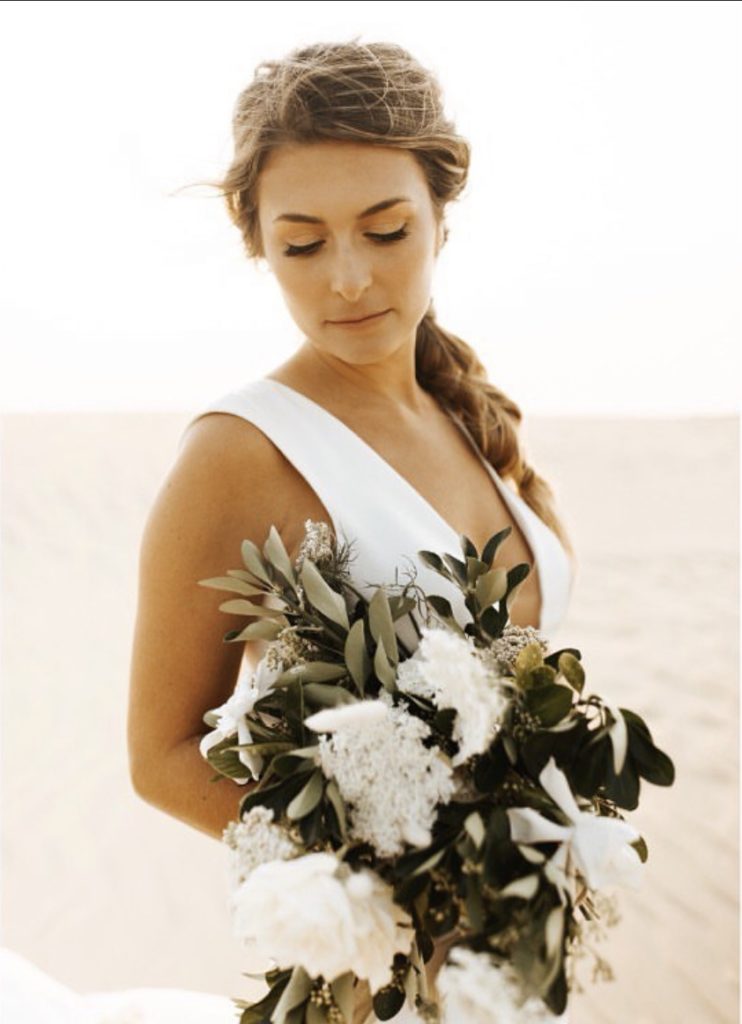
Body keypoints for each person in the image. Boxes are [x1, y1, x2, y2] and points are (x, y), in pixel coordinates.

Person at [127, 38, 577, 1024]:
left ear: (439, 223)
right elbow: (161, 753)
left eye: (385, 230)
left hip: (510, 975)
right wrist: (384, 883)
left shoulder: (467, 418)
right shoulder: (239, 453)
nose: (346, 279)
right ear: (257, 244)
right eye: (302, 242)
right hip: (366, 985)